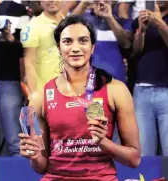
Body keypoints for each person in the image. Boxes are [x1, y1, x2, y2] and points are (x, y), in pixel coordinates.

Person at [19, 15, 141, 180]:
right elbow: (41, 166)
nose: (75, 48)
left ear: (92, 47)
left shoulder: (116, 90)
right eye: (68, 42)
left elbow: (134, 159)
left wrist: (103, 142)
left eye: (83, 41)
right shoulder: (41, 97)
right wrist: (34, 156)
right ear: (59, 47)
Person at [131, 1, 168, 155]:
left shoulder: (159, 21)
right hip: (141, 92)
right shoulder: (141, 19)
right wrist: (141, 31)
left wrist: (159, 23)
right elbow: (134, 51)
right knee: (145, 153)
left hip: (166, 91)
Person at [21, 0, 77, 95]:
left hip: (72, 90)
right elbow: (29, 63)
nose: (52, 0)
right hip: (46, 93)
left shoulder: (70, 25)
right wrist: (33, 95)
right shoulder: (32, 27)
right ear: (40, 1)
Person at [0, 0, 28, 155]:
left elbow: (25, 48)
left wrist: (10, 40)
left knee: (16, 143)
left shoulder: (19, 10)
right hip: (7, 82)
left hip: (7, 81)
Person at [72, 0, 132, 83]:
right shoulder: (83, 19)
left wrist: (109, 18)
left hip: (116, 80)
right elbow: (65, 30)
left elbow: (126, 44)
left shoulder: (122, 21)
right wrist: (83, 3)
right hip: (88, 81)